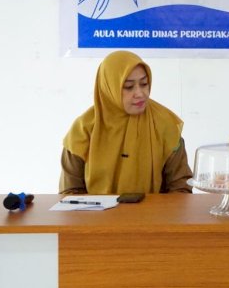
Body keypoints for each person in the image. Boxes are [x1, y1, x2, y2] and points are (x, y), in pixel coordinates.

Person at [60, 50, 192, 194]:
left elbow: (181, 189)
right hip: (95, 216)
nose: (140, 93)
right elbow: (69, 193)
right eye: (129, 87)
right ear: (109, 88)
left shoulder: (165, 124)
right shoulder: (84, 129)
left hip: (153, 215)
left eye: (144, 84)